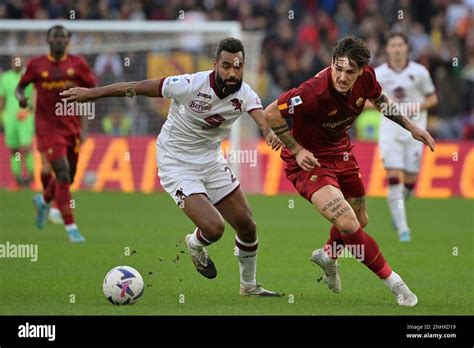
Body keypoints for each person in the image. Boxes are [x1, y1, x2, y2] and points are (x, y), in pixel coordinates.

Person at [61, 38, 283, 296]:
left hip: (210, 160)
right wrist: (92, 94)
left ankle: (249, 287)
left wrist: (268, 132)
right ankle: (194, 244)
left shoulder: (245, 94)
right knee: (214, 228)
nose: (232, 72)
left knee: (247, 225)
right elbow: (137, 87)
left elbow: (262, 118)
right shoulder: (189, 85)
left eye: (238, 66)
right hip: (176, 162)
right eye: (226, 66)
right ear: (215, 65)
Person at [264, 35, 435, 306]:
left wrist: (412, 127)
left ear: (361, 71)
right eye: (338, 68)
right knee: (347, 222)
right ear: (332, 63)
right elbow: (271, 113)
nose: (343, 76)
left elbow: (381, 102)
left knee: (360, 219)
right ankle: (396, 284)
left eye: (350, 72)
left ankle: (328, 255)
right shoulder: (313, 90)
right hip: (309, 161)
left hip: (342, 153)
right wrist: (295, 148)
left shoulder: (367, 77)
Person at [16, 25, 96, 242]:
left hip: (71, 127)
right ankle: (71, 228)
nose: (59, 40)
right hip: (47, 127)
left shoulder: (78, 64)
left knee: (68, 177)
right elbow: (20, 87)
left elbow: (93, 90)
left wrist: (85, 125)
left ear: (68, 39)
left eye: (62, 37)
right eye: (55, 37)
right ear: (48, 40)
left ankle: (43, 200)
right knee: (61, 172)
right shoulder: (36, 64)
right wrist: (21, 98)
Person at [375, 32, 438, 242]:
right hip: (390, 130)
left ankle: (397, 205)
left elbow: (433, 98)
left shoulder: (419, 72)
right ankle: (403, 228)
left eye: (400, 44)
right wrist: (384, 105)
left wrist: (418, 106)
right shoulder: (378, 74)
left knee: (410, 180)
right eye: (392, 45)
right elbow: (364, 101)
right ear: (387, 49)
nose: (396, 48)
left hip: (415, 131)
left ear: (406, 48)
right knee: (393, 176)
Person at [0, 57, 35, 189]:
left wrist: (30, 110)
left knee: (26, 148)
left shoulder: (27, 77)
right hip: (10, 118)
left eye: (20, 61)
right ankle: (18, 180)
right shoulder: (5, 78)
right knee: (14, 151)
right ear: (11, 63)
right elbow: (2, 99)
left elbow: (33, 96)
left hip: (25, 117)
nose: (17, 63)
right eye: (15, 61)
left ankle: (32, 179)